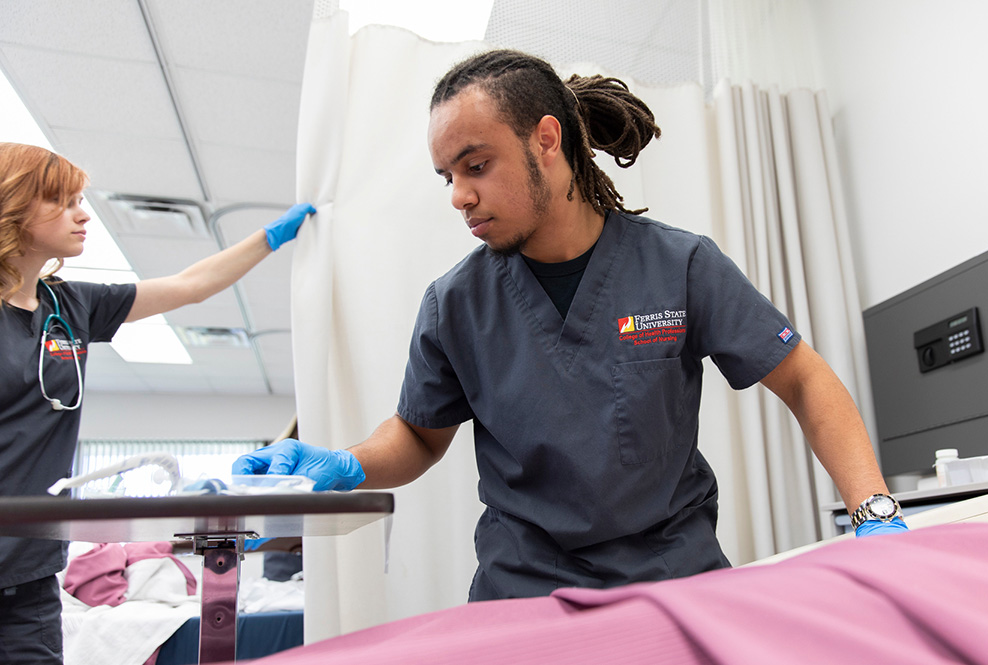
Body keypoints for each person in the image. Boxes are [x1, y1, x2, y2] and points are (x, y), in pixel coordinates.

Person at [234, 49, 906, 602]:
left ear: (546, 141)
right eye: (447, 175)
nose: (457, 195)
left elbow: (805, 378)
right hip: (524, 593)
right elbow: (418, 433)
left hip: (676, 583)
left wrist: (874, 511)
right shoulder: (456, 304)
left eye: (475, 165)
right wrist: (346, 463)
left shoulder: (681, 265)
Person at [0, 142, 315, 664]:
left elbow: (189, 287)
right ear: (13, 206)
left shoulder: (71, 304)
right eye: (65, 202)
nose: (84, 215)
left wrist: (271, 238)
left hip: (32, 573)